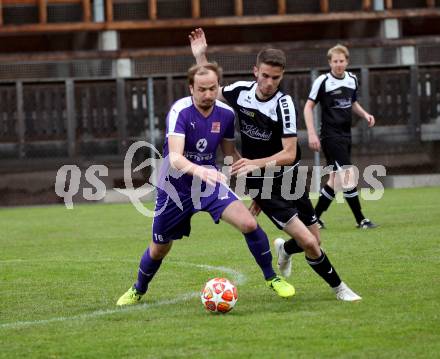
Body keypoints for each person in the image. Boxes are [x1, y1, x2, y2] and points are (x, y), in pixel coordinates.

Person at [190, 28, 361, 301]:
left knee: (315, 241)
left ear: (282, 77)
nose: (269, 82)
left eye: (276, 78)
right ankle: (340, 288)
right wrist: (201, 56)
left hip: (289, 177)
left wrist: (255, 162)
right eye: (265, 75)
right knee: (308, 242)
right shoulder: (241, 92)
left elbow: (289, 153)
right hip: (262, 184)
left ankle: (284, 250)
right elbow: (211, 90)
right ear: (255, 71)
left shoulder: (285, 105)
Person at [117, 62, 295, 306]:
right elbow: (176, 158)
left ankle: (272, 278)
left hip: (209, 184)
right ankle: (138, 289)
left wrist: (258, 188)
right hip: (175, 188)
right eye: (202, 89)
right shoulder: (179, 111)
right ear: (191, 88)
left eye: (213, 89)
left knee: (249, 223)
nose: (208, 94)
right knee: (159, 248)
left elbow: (231, 156)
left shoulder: (226, 114)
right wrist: (201, 170)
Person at [304, 44, 377, 229]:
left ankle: (313, 218)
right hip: (330, 136)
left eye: (341, 61)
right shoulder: (323, 81)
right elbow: (308, 107)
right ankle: (360, 219)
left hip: (346, 135)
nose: (338, 64)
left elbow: (353, 103)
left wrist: (365, 114)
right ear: (330, 62)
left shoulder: (352, 79)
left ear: (347, 61)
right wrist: (312, 133)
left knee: (335, 181)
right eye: (335, 61)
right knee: (348, 176)